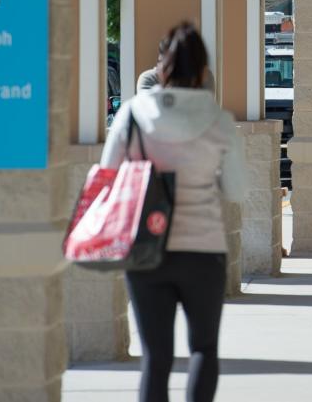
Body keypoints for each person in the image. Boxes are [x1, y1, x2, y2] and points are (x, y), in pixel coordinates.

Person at [101, 22, 242, 402]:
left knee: (156, 358)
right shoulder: (219, 121)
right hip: (203, 250)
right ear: (201, 69)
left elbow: (107, 175)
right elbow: (236, 188)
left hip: (147, 250)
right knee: (203, 349)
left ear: (161, 66)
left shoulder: (132, 114)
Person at [139, 36, 216, 93]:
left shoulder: (205, 76)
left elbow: (203, 108)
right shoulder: (149, 78)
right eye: (160, 63)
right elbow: (150, 109)